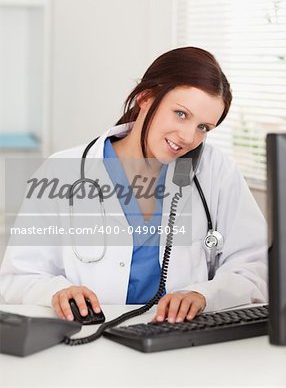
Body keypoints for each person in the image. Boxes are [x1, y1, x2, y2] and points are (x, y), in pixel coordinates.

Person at [0, 47, 267, 324]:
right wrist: (57, 292)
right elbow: (18, 276)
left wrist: (204, 295)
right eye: (181, 114)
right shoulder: (63, 170)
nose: (189, 137)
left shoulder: (215, 171)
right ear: (145, 98)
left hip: (181, 342)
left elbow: (254, 268)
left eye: (203, 127)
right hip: (89, 340)